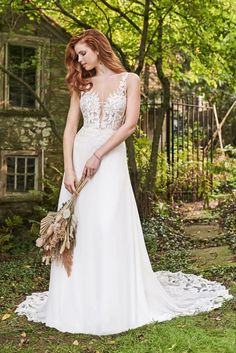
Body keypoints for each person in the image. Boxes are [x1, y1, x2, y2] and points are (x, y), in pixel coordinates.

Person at [15, 29, 233, 336]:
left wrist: (99, 155)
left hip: (110, 158)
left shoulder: (130, 80)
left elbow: (130, 124)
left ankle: (111, 302)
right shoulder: (82, 84)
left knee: (106, 224)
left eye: (83, 53)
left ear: (97, 47)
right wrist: (68, 167)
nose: (80, 60)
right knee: (79, 228)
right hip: (79, 156)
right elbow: (68, 130)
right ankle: (77, 303)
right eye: (76, 56)